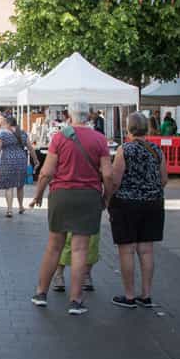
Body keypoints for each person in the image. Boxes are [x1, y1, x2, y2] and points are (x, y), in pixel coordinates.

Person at [28, 103, 110, 315]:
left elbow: (47, 172)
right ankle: (75, 300)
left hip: (61, 195)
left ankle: (40, 293)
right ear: (89, 115)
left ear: (69, 115)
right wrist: (106, 198)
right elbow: (108, 175)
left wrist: (38, 195)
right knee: (80, 249)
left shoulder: (59, 137)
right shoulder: (100, 139)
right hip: (88, 195)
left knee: (54, 246)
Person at [105, 112, 167, 308]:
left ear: (128, 129)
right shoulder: (157, 150)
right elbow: (164, 179)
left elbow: (115, 179)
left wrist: (107, 199)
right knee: (147, 250)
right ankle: (146, 295)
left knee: (127, 250)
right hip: (153, 203)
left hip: (127, 204)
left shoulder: (126, 149)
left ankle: (129, 295)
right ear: (146, 129)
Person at [0, 114, 37, 217]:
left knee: (9, 186)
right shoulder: (23, 133)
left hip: (8, 161)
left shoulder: (3, 134)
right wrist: (36, 160)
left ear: (8, 124)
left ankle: (9, 210)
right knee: (20, 185)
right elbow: (30, 148)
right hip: (21, 161)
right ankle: (20, 207)